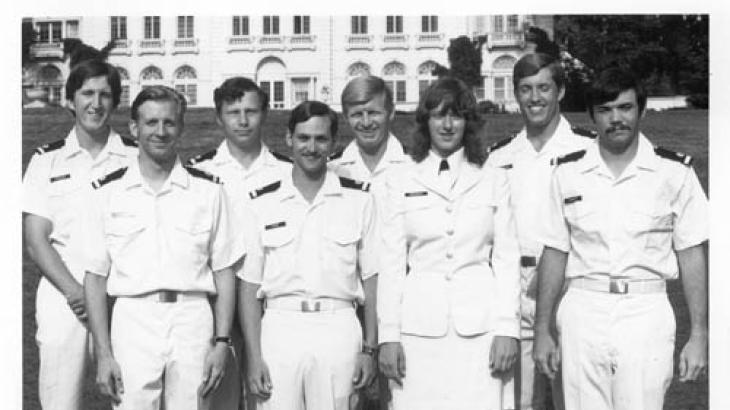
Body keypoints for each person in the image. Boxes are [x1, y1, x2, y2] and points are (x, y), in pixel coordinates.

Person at [533, 67, 708, 410]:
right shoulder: (567, 173)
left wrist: (699, 334)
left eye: (625, 107)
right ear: (592, 116)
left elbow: (691, 254)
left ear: (641, 110)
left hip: (645, 312)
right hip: (583, 309)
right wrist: (542, 331)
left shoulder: (674, 173)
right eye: (605, 109)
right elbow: (554, 251)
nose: (616, 118)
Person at [82, 86, 246, 409]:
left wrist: (222, 341)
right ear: (134, 128)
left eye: (169, 123)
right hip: (132, 318)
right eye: (151, 122)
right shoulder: (107, 193)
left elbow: (224, 271)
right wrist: (103, 352)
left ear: (181, 128)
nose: (160, 131)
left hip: (192, 318)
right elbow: (95, 278)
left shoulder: (208, 192)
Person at [377, 76, 521, 410]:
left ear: (468, 122)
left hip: (481, 330)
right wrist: (389, 336)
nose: (446, 124)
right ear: (425, 121)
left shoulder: (493, 176)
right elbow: (392, 263)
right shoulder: (400, 178)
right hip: (419, 330)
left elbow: (506, 258)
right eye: (438, 115)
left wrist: (506, 329)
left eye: (456, 115)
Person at [239, 100, 379, 410]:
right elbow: (249, 287)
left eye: (320, 139)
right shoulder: (262, 203)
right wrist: (253, 357)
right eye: (303, 138)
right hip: (279, 328)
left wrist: (369, 349)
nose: (311, 147)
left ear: (333, 142)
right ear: (289, 139)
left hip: (338, 327)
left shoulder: (358, 200)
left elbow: (371, 280)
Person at [22, 59, 137, 410]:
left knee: (131, 396)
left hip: (123, 293)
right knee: (60, 398)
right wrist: (76, 293)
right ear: (71, 100)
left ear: (116, 102)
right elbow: (35, 239)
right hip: (63, 294)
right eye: (87, 93)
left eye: (105, 94)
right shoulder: (46, 160)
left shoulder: (136, 157)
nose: (96, 103)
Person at [485, 52, 596, 410]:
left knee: (574, 399)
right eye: (526, 89)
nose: (535, 98)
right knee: (518, 401)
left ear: (560, 91)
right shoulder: (498, 157)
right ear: (515, 95)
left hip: (571, 289)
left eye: (544, 88)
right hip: (513, 292)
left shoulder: (588, 149)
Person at [186, 76, 292, 410]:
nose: (243, 120)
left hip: (273, 300)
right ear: (219, 117)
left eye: (251, 111)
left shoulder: (288, 171)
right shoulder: (197, 172)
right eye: (233, 112)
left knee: (270, 393)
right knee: (218, 396)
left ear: (266, 113)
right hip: (219, 302)